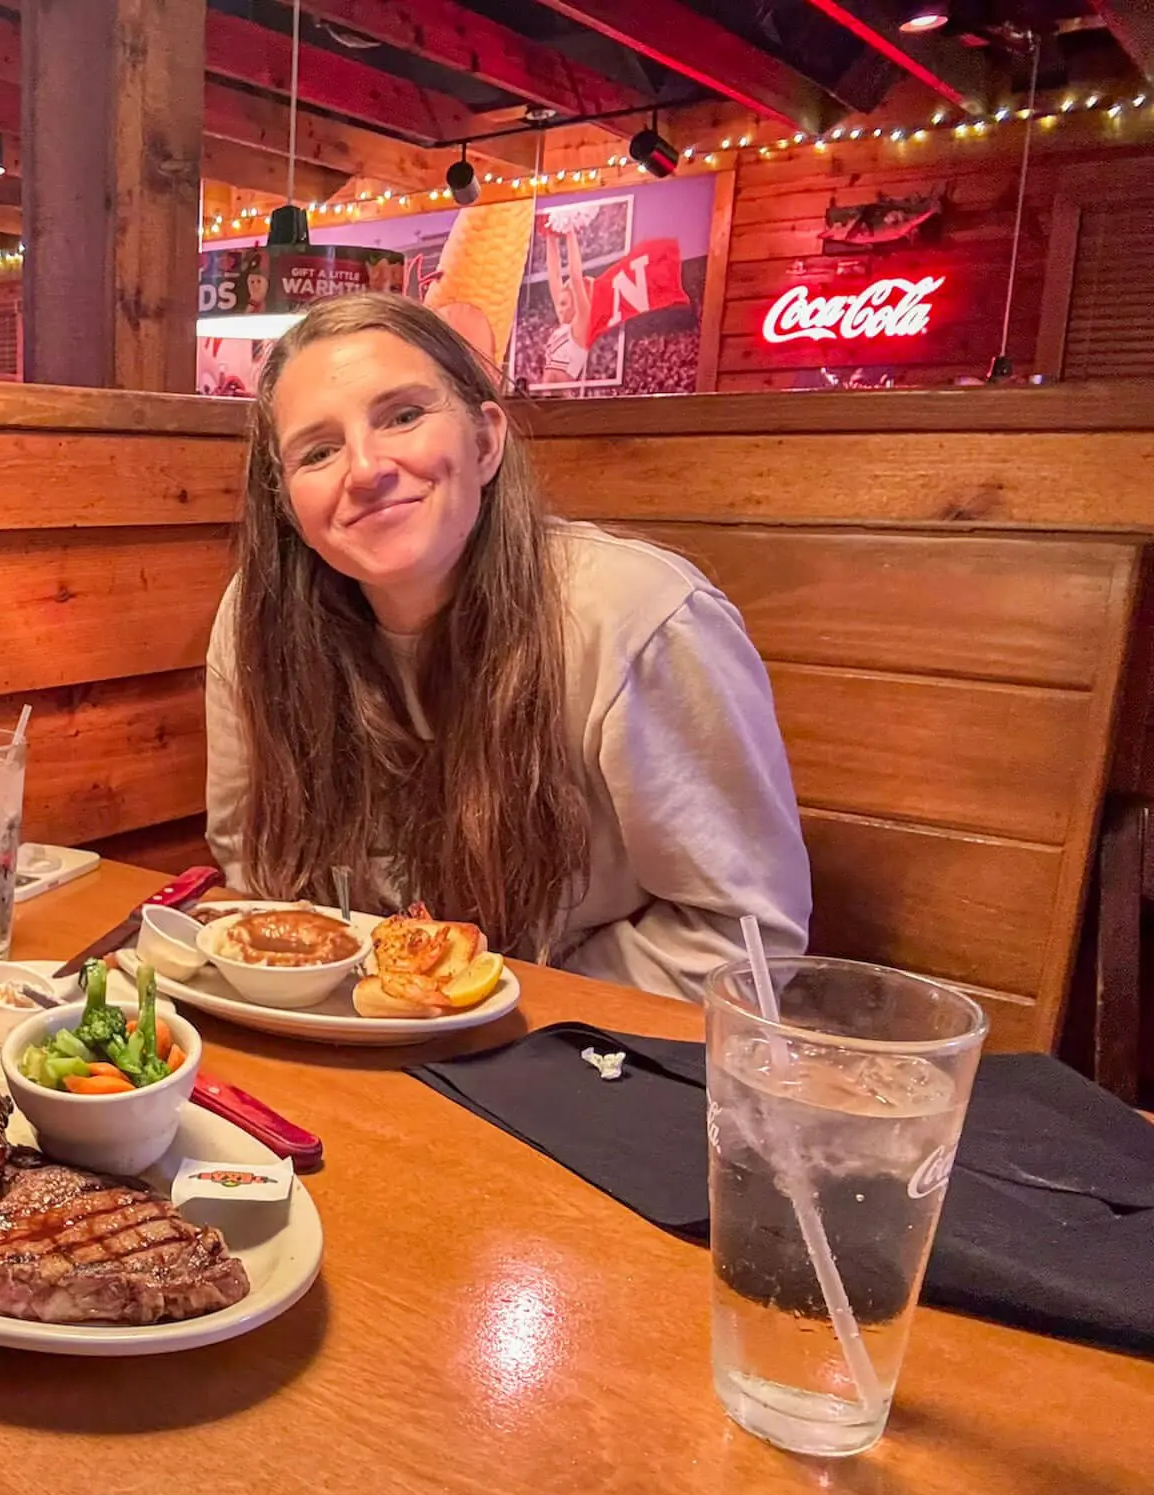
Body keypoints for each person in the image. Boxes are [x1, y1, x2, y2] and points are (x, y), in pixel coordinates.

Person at [203, 293, 809, 1000]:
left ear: (486, 441)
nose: (365, 469)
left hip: (577, 1055)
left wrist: (484, 1004)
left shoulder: (637, 617)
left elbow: (744, 936)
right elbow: (251, 864)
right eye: (319, 450)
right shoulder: (257, 619)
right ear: (288, 506)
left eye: (402, 415)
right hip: (340, 1025)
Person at [541, 225, 594, 384]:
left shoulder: (581, 324)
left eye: (564, 304)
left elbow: (575, 276)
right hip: (546, 395)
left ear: (575, 305)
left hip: (563, 397)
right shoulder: (564, 325)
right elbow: (554, 273)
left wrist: (570, 230)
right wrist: (549, 234)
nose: (559, 309)